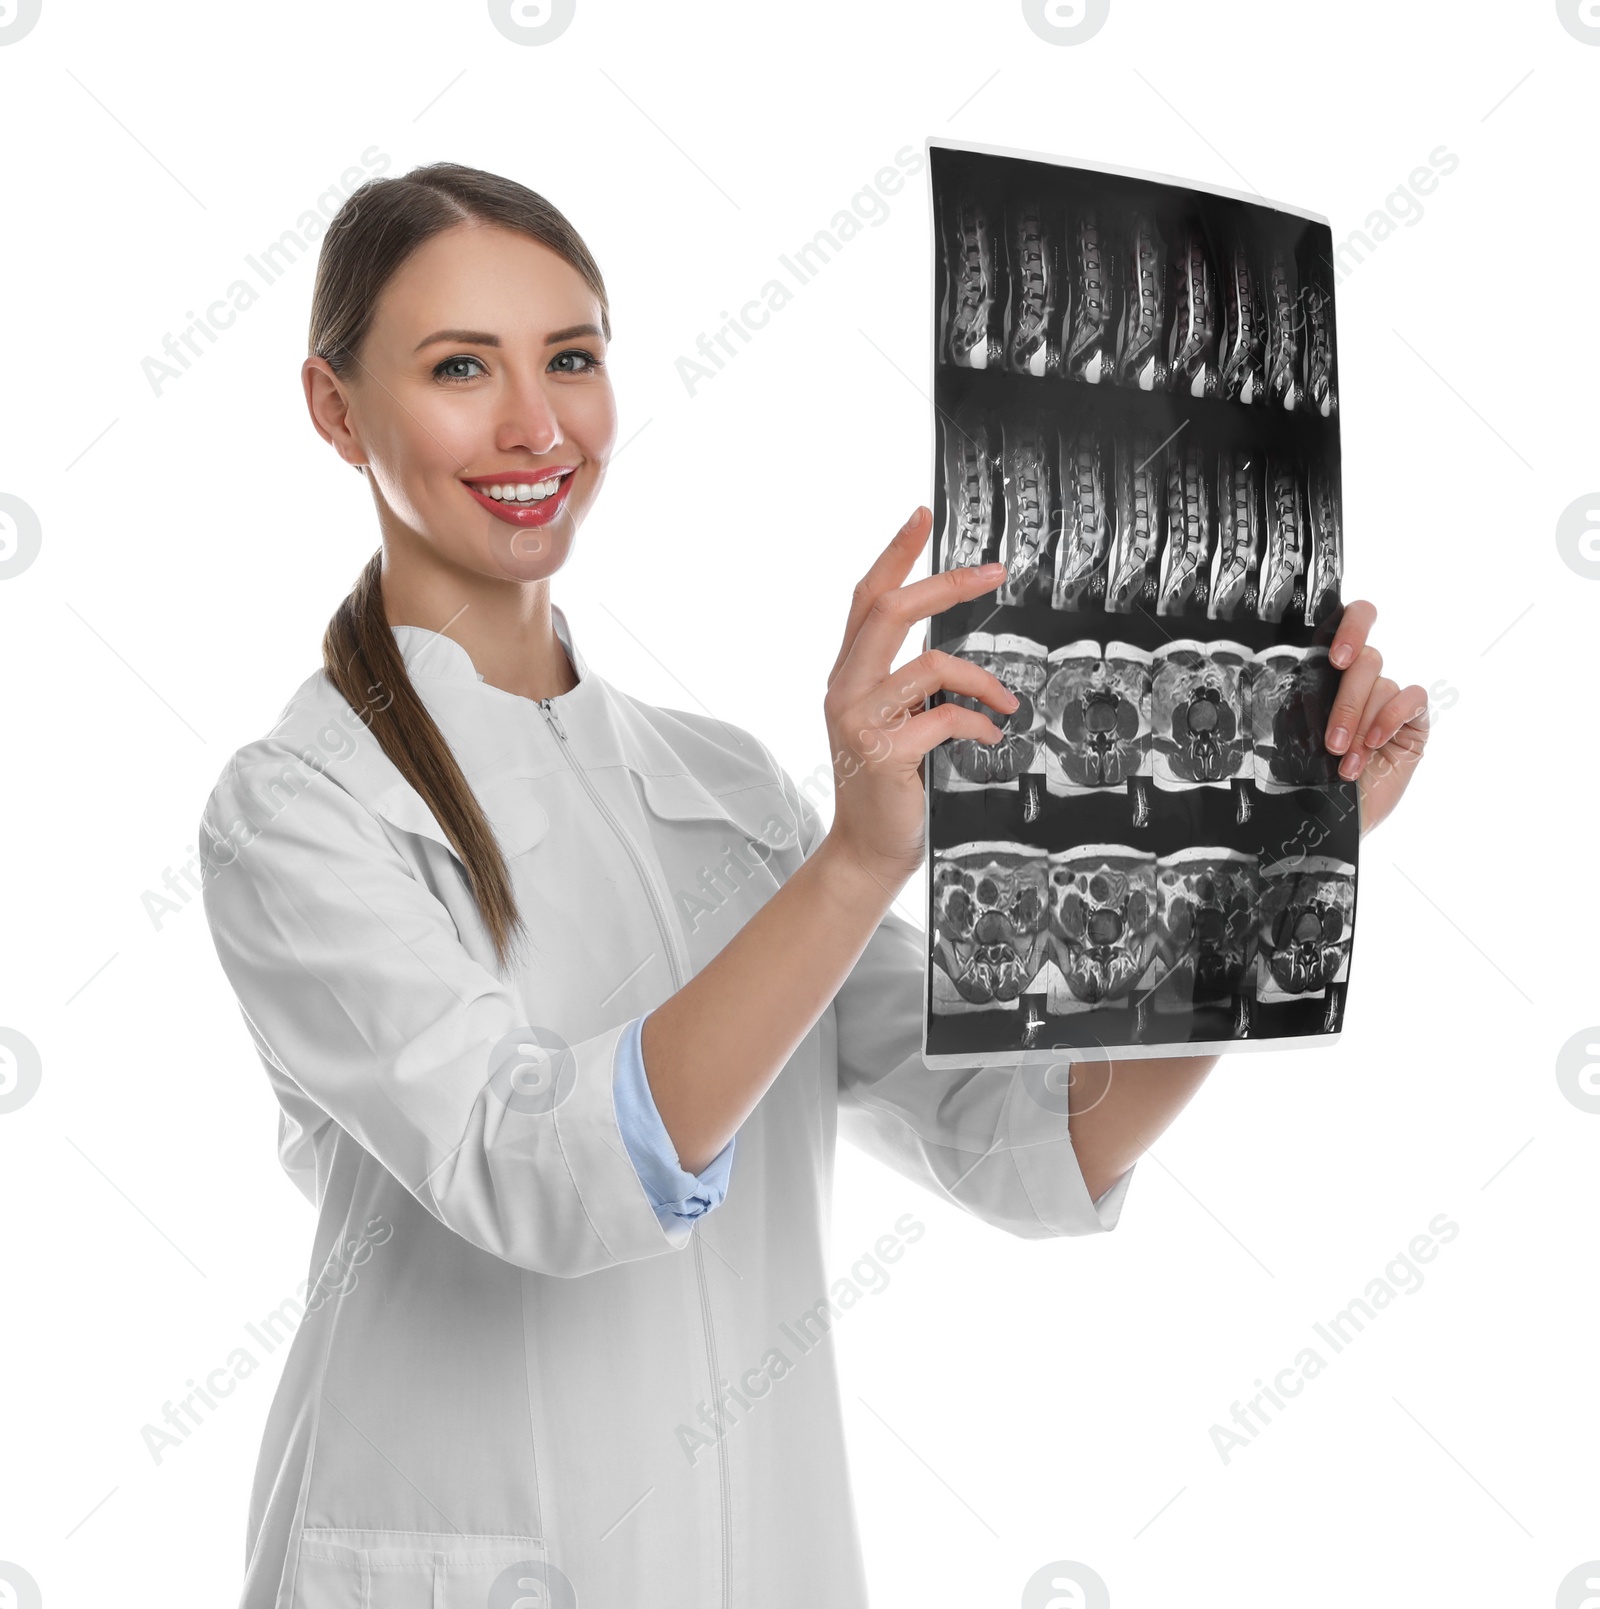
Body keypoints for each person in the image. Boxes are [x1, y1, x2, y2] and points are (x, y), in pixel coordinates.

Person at [197, 161, 1430, 1609]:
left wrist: (1271, 859)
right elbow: (543, 1169)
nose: (536, 425)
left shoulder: (724, 789)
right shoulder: (303, 807)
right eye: (461, 366)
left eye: (572, 358)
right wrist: (854, 859)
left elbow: (1020, 1128)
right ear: (335, 407)